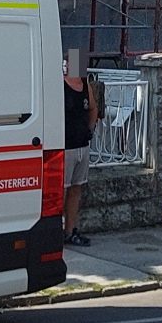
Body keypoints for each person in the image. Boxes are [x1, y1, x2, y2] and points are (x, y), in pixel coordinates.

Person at [62, 53, 102, 246]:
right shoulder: (59, 85)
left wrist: (90, 129)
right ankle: (56, 232)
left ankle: (70, 231)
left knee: (76, 189)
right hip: (64, 147)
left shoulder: (85, 85)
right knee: (61, 190)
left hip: (82, 145)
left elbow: (93, 108)